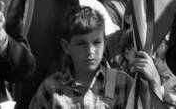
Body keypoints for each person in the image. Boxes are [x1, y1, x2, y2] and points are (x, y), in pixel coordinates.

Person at [28, 7, 161, 109]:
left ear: (105, 42)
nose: (90, 51)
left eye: (97, 43)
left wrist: (154, 80)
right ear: (66, 46)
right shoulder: (51, 88)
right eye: (81, 44)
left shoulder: (122, 84)